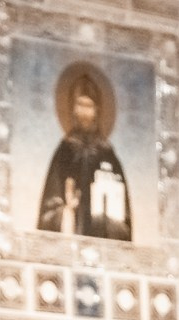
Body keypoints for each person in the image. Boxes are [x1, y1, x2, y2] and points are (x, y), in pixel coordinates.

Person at [36, 65, 133, 242]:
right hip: (70, 240)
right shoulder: (64, 152)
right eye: (80, 105)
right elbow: (49, 208)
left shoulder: (108, 156)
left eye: (89, 106)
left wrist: (108, 219)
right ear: (73, 108)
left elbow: (123, 221)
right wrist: (66, 212)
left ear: (97, 110)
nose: (84, 112)